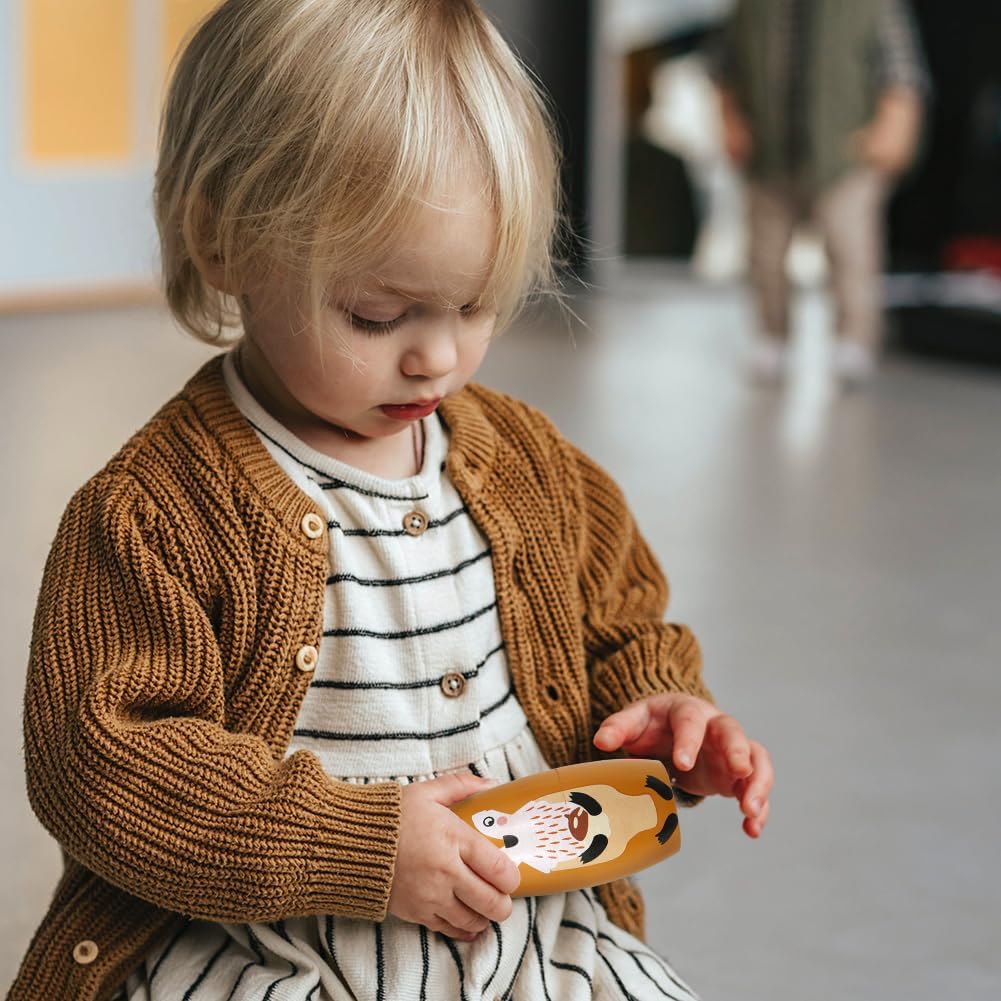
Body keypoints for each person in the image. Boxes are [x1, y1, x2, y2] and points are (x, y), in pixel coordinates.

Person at [11, 2, 773, 999]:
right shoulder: (156, 513)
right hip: (276, 950)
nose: (435, 356)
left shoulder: (530, 466)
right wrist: (356, 839)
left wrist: (662, 707)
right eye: (378, 314)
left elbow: (619, 622)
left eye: (475, 304)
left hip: (529, 934)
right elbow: (106, 766)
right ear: (223, 239)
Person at [716, 0, 929, 386]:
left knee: (851, 252)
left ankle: (853, 341)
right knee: (764, 255)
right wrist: (730, 121)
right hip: (770, 154)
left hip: (847, 154)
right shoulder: (750, 7)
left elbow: (902, 72)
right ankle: (772, 337)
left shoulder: (872, 6)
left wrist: (895, 126)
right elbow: (725, 66)